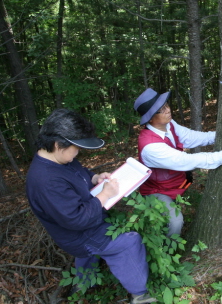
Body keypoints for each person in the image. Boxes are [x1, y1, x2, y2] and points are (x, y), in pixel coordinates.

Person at [26, 109, 156, 304]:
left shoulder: (60, 159)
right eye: (75, 148)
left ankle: (84, 282)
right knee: (129, 242)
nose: (78, 153)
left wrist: (95, 178)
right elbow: (76, 219)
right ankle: (141, 294)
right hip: (79, 235)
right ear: (57, 145)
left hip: (85, 223)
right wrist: (104, 195)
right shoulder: (45, 180)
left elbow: (79, 172)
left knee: (105, 237)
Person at [133, 88, 222, 237]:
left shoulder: (169, 124)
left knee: (187, 184)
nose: (167, 110)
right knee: (175, 221)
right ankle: (169, 253)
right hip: (158, 191)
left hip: (178, 182)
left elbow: (189, 137)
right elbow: (186, 160)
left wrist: (219, 136)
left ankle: (177, 204)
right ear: (150, 119)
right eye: (161, 110)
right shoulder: (150, 147)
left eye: (166, 105)